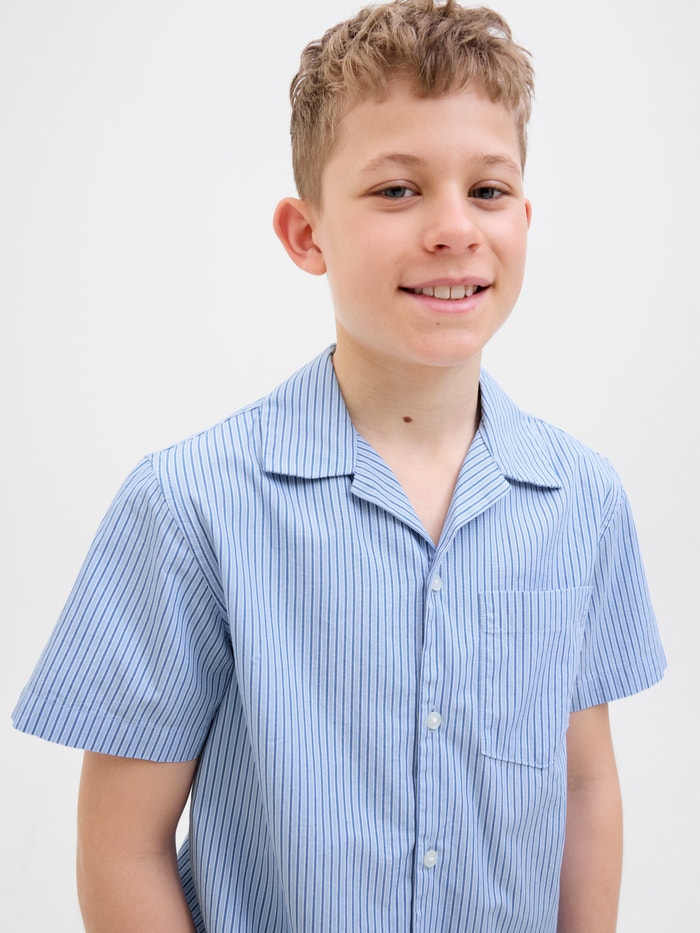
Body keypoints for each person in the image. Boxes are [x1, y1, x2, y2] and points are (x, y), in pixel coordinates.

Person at [12, 1, 666, 931]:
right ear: (305, 233)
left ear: (525, 216)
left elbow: (586, 789)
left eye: (487, 190)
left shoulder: (582, 499)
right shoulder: (191, 505)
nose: (454, 228)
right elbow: (122, 846)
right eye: (397, 190)